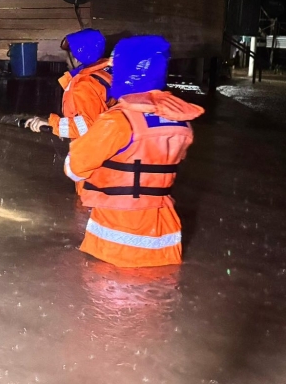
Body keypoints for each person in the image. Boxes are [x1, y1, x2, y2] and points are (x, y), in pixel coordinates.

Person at [64, 36, 203, 268]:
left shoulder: (117, 121)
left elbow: (74, 168)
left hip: (116, 238)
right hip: (163, 237)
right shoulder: (181, 122)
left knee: (105, 299)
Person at [24, 28, 111, 139]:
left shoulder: (85, 85)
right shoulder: (104, 73)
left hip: (91, 149)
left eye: (68, 54)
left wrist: (52, 124)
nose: (65, 59)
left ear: (76, 58)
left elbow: (88, 126)